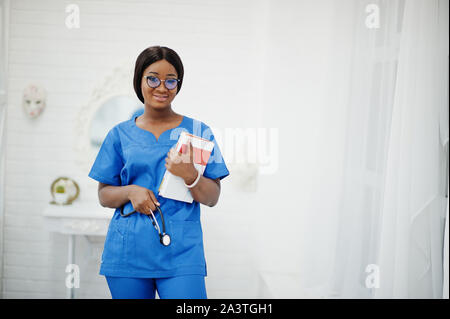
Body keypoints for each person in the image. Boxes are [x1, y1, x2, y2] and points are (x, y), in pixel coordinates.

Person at [88, 45, 229, 299]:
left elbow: (212, 198)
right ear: (139, 80)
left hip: (182, 253)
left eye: (170, 80)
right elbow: (104, 196)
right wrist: (131, 191)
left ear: (178, 84)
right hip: (128, 252)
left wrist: (190, 174)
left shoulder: (199, 131)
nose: (162, 87)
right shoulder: (118, 134)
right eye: (152, 78)